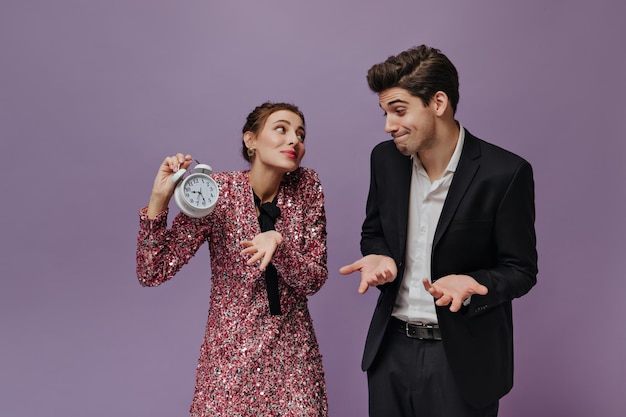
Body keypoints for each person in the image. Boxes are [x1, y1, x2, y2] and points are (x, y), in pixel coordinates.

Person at [339, 45, 538, 416]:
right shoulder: (384, 160)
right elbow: (374, 231)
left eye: (398, 111)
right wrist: (380, 254)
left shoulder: (505, 173)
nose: (388, 125)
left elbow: (521, 270)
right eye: (384, 113)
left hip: (461, 360)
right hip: (390, 353)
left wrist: (474, 283)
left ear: (438, 103)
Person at [136, 102, 329, 416]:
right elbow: (152, 271)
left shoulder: (307, 187)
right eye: (281, 128)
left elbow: (313, 279)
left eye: (300, 134)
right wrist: (159, 201)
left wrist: (279, 247)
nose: (294, 139)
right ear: (250, 140)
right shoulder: (217, 192)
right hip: (229, 359)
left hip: (293, 358)